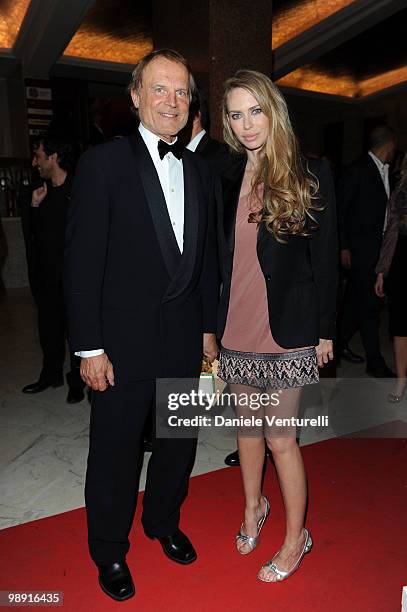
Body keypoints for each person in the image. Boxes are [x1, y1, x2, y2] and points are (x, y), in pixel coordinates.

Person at [64, 49, 218, 602]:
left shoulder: (200, 168)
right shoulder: (103, 164)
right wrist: (88, 348)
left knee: (178, 442)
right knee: (115, 451)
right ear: (135, 97)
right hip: (120, 344)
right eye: (160, 89)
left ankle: (162, 522)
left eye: (182, 92)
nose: (172, 101)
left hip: (183, 339)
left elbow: (205, 260)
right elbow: (82, 264)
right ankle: (108, 548)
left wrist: (208, 328)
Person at [217, 70, 337, 582]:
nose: (246, 125)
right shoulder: (226, 176)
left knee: (280, 438)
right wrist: (210, 328)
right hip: (236, 324)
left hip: (288, 329)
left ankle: (296, 539)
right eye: (236, 114)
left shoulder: (309, 173)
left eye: (255, 111)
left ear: (273, 110)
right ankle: (252, 508)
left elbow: (327, 260)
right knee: (247, 429)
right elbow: (219, 262)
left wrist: (326, 331)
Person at [22, 135, 85, 404]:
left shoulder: (78, 189)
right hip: (47, 275)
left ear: (54, 157)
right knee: (48, 327)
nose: (36, 162)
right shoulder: (39, 190)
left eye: (39, 155)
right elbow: (32, 236)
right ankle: (50, 374)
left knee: (76, 330)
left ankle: (77, 381)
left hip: (73, 276)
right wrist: (34, 206)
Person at [337, 125, 396, 376]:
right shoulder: (358, 170)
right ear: (389, 144)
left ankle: (336, 345)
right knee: (370, 306)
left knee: (354, 305)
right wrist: (343, 246)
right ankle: (376, 362)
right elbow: (340, 210)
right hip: (359, 251)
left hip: (377, 249)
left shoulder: (387, 172)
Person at [375, 152, 407, 401]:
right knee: (400, 327)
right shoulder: (399, 193)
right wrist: (382, 271)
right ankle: (400, 381)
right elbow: (390, 235)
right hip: (401, 264)